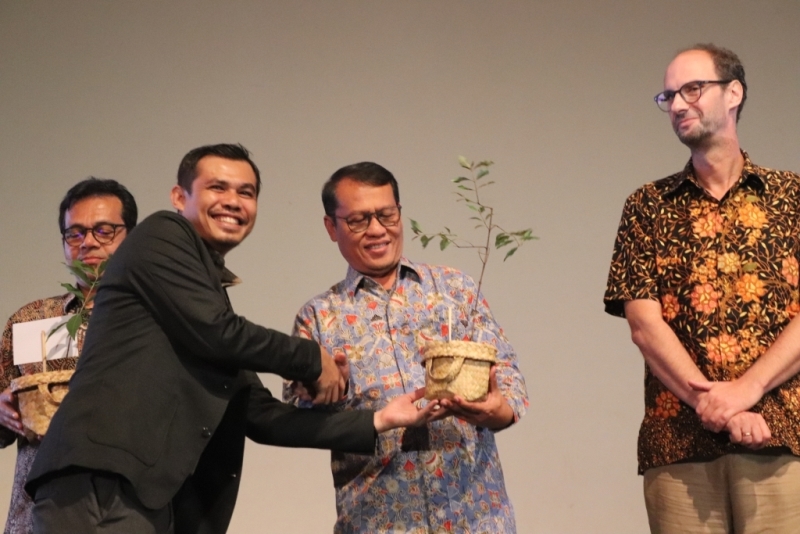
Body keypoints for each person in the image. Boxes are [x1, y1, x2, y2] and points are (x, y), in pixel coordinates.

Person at [25, 144, 438, 534]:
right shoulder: (161, 236)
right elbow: (220, 332)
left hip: (143, 498)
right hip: (100, 484)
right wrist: (313, 359)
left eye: (246, 192)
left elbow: (258, 414)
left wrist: (381, 420)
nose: (233, 201)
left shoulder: (201, 298)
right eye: (217, 187)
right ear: (179, 197)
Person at [604, 43, 800, 533]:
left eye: (692, 89)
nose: (677, 104)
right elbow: (644, 326)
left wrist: (747, 390)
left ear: (734, 93)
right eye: (668, 95)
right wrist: (718, 407)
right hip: (679, 444)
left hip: (783, 437)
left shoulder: (792, 198)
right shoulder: (647, 206)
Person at [285, 161, 528, 533]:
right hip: (379, 523)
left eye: (387, 215)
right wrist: (330, 393)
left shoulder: (455, 290)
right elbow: (296, 418)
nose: (377, 230)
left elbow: (508, 380)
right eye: (358, 220)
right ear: (332, 227)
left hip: (476, 519)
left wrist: (497, 410)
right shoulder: (319, 317)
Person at [0, 178, 138, 534]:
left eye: (104, 231)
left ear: (132, 237)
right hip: (38, 515)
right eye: (74, 233)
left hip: (132, 511)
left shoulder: (154, 319)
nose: (87, 242)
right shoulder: (31, 320)